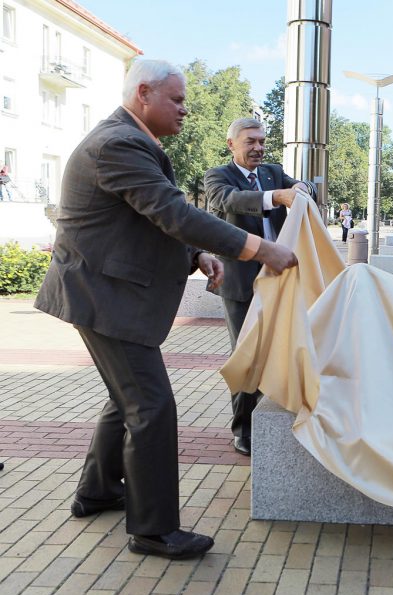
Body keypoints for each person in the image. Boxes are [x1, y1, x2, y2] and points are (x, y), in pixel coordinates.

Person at [34, 60, 298, 560]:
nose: (184, 108)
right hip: (103, 296)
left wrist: (196, 254)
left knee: (126, 398)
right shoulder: (119, 143)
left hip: (107, 293)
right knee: (151, 407)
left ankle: (97, 491)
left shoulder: (131, 142)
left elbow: (148, 220)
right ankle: (154, 530)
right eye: (176, 99)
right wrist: (261, 250)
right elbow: (172, 212)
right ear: (144, 93)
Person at [204, 117, 313, 456]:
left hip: (280, 282)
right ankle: (244, 429)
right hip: (240, 283)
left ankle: (277, 416)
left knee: (281, 347)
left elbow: (302, 186)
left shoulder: (274, 172)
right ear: (231, 144)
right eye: (250, 141)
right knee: (246, 354)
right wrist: (275, 196)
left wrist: (301, 189)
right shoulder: (217, 176)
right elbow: (229, 201)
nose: (258, 147)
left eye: (262, 141)